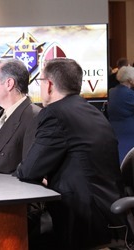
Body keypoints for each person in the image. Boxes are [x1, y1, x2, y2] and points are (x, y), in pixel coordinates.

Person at [16, 58, 127, 249]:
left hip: (82, 220)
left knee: (20, 237)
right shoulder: (91, 111)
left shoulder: (54, 113)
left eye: (40, 82)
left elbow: (29, 170)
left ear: (49, 85)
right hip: (108, 214)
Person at [108, 66, 134, 163]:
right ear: (130, 80)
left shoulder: (111, 92)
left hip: (113, 130)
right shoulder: (130, 95)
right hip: (129, 133)